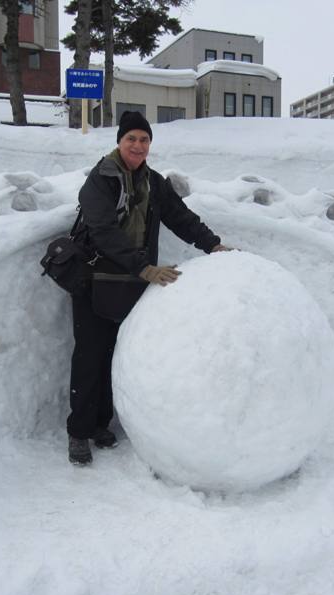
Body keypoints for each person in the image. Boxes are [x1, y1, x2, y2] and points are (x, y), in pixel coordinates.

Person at [67, 110, 229, 466]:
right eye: (131, 139)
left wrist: (212, 245)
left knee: (116, 354)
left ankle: (99, 425)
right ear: (119, 142)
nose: (138, 146)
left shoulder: (154, 183)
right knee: (90, 357)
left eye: (144, 140)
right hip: (95, 281)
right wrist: (145, 267)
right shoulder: (99, 180)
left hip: (131, 283)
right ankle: (78, 432)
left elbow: (180, 217)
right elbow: (103, 231)